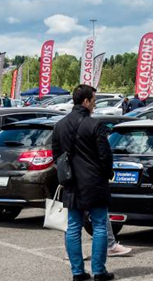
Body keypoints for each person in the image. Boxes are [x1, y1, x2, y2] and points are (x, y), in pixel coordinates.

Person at [52, 84, 115, 281]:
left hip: (71, 182)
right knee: (99, 226)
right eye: (94, 100)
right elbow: (106, 157)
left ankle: (77, 273)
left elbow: (56, 155)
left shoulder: (60, 125)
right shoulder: (95, 125)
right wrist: (107, 174)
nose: (95, 104)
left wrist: (66, 174)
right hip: (94, 182)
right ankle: (98, 271)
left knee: (73, 227)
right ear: (86, 101)